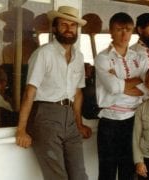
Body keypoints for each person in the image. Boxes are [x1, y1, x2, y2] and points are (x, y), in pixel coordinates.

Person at [15, 6, 92, 180]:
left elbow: (78, 93)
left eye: (72, 25)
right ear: (55, 28)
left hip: (70, 117)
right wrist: (21, 129)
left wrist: (79, 123)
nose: (68, 29)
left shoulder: (78, 57)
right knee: (57, 176)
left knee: (80, 175)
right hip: (46, 116)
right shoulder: (44, 54)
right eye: (64, 24)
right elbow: (30, 91)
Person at [95, 12, 145, 180]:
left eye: (128, 30)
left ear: (133, 32)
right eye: (119, 30)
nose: (124, 34)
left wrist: (120, 83)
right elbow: (111, 86)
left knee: (129, 171)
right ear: (111, 31)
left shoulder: (138, 57)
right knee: (107, 172)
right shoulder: (103, 58)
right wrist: (134, 81)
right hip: (109, 121)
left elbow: (145, 86)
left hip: (133, 119)